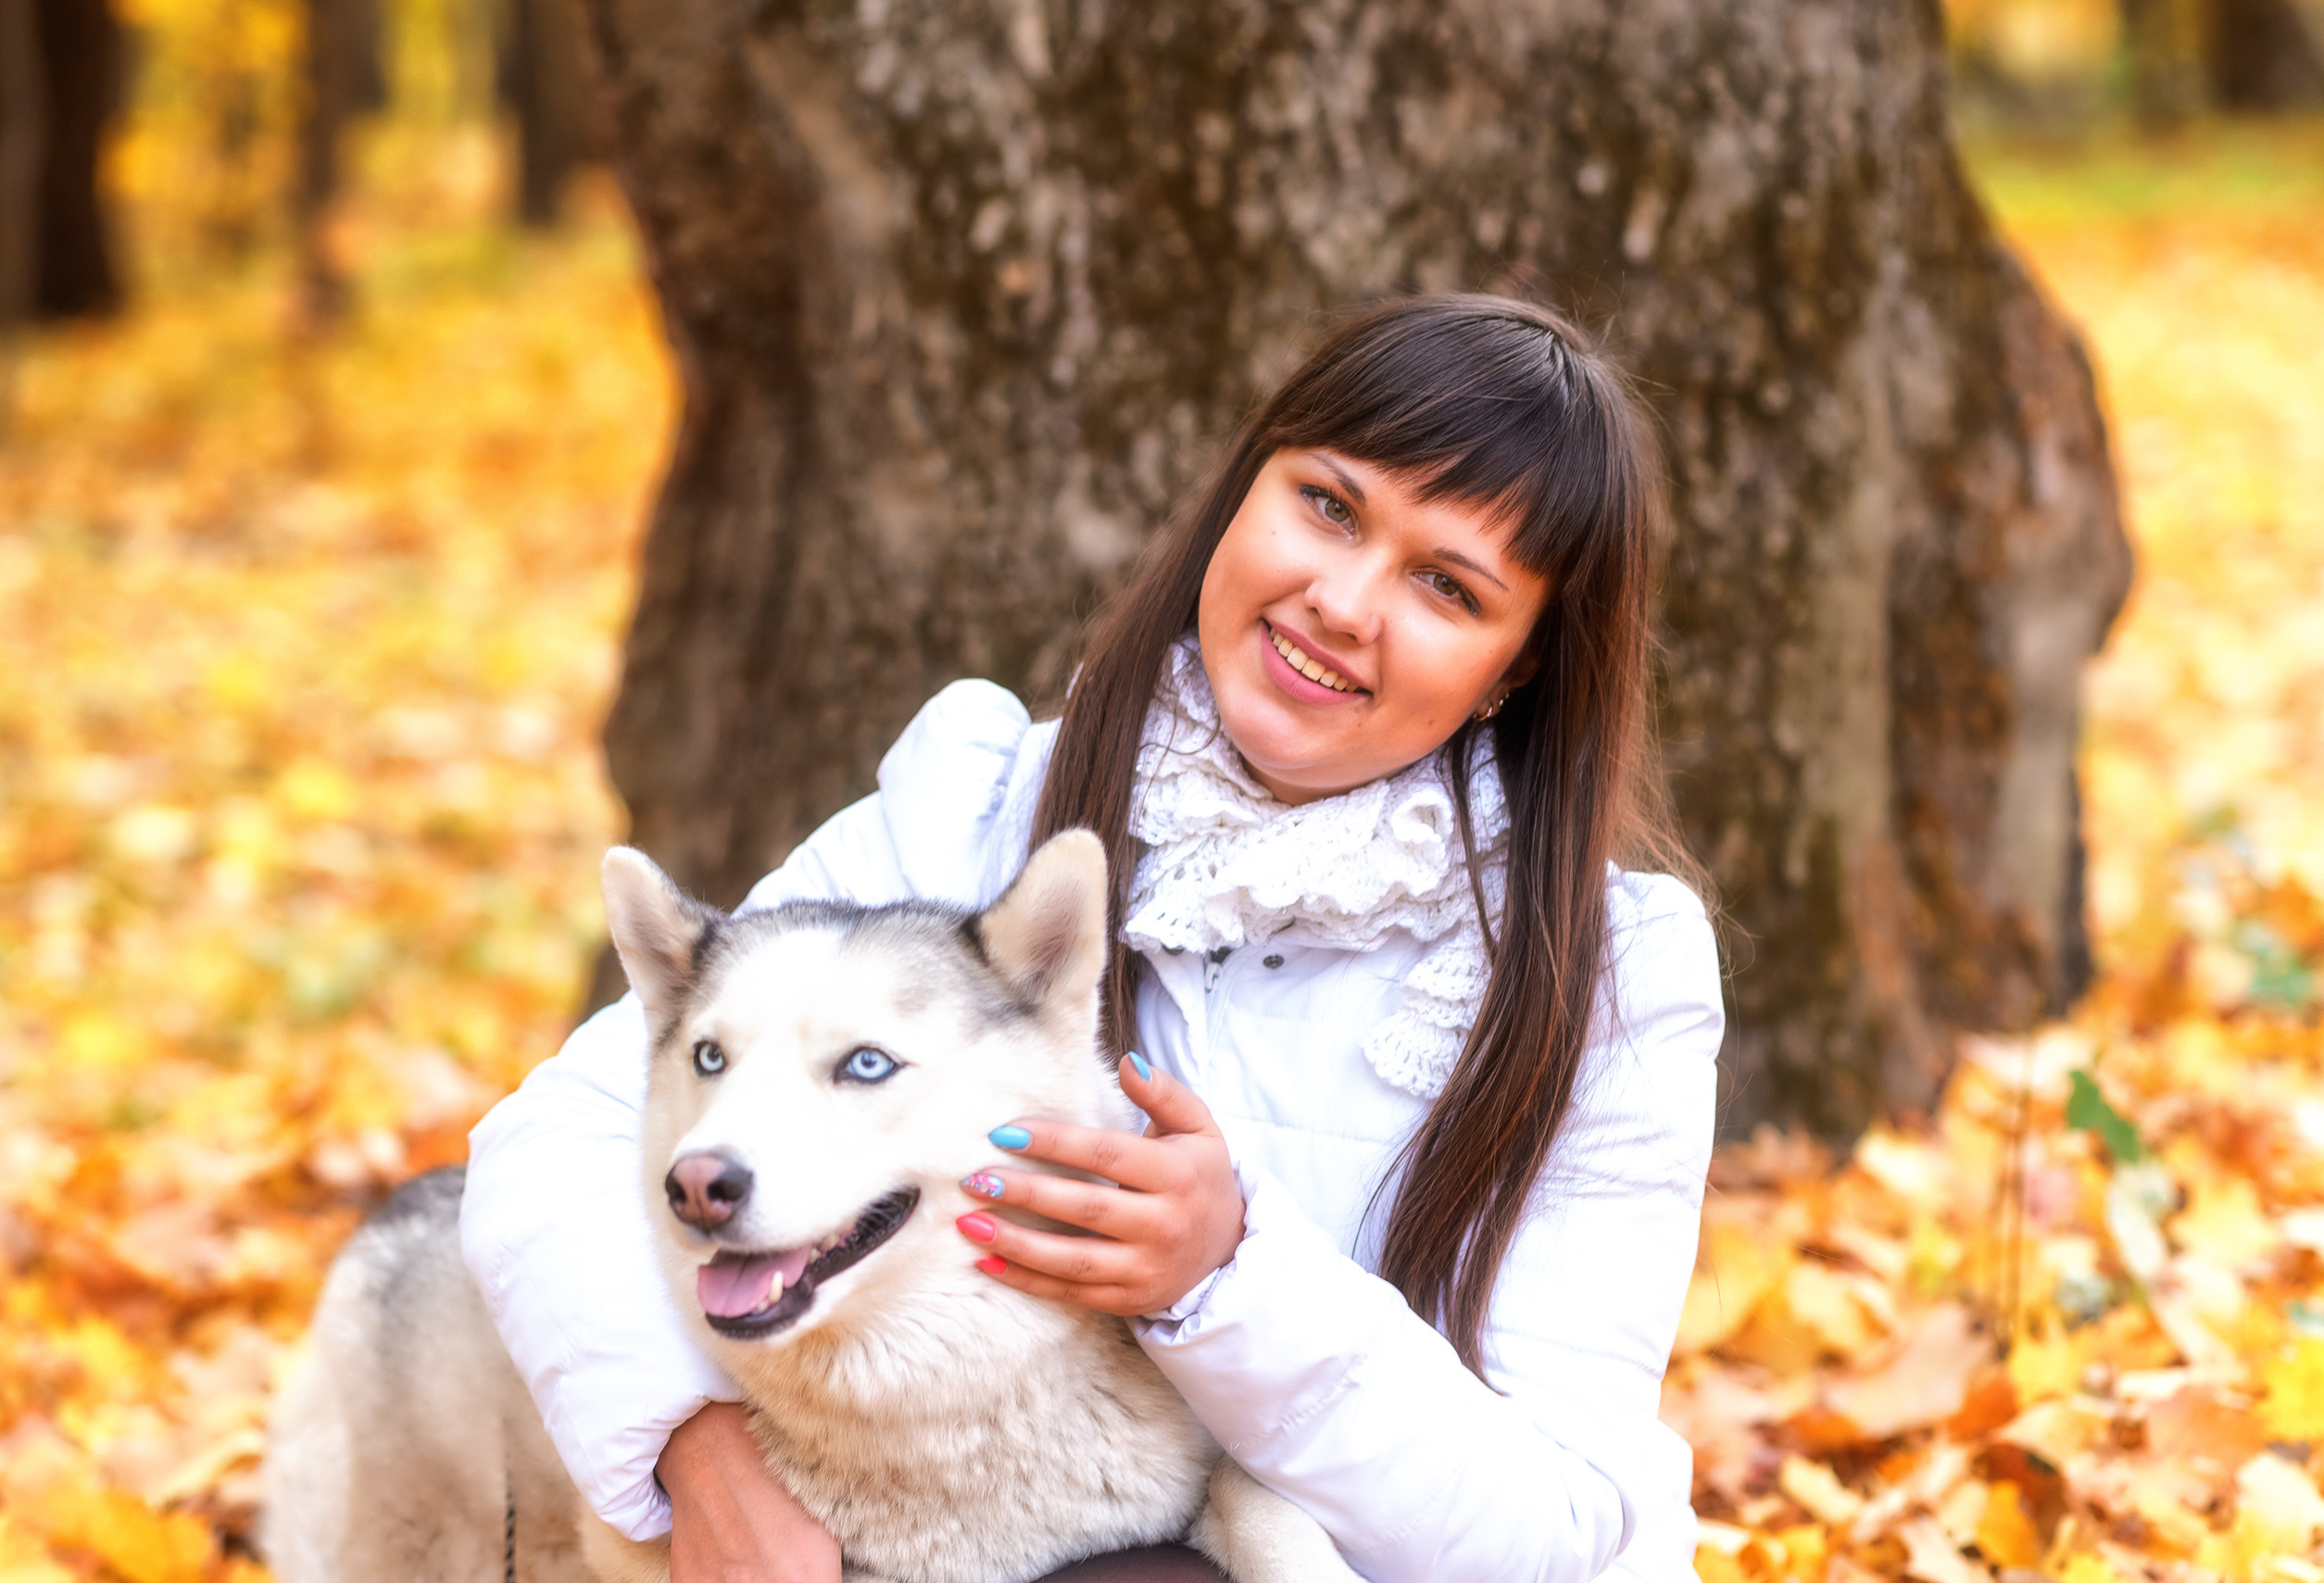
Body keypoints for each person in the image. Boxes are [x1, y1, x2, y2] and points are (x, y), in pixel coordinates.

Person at [460, 294, 1725, 1583]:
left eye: (1446, 586)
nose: (1343, 600)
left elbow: (1557, 1536)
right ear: (1245, 490)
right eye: (1329, 506)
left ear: (1515, 667)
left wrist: (1225, 1281)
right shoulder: (977, 812)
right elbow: (553, 1144)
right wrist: (695, 1445)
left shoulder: (1610, 980)